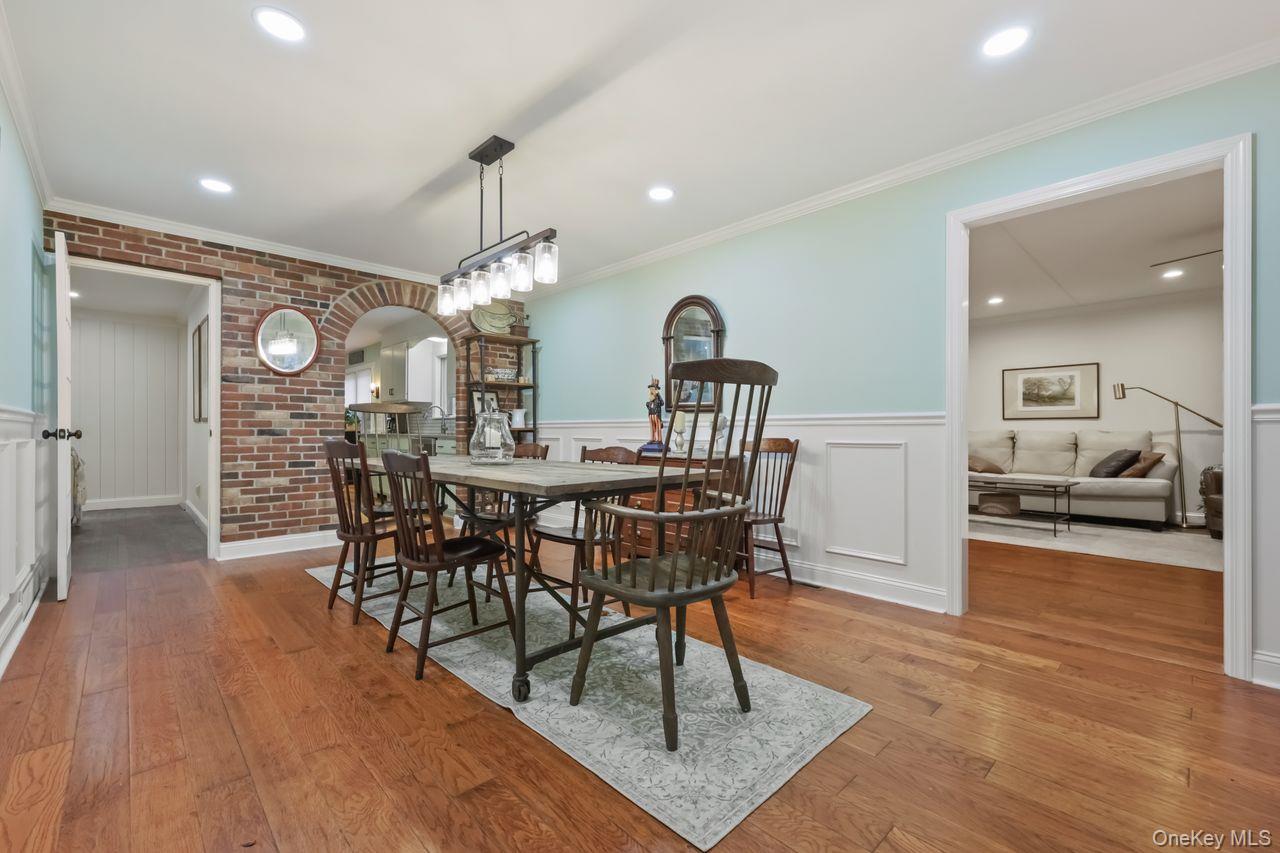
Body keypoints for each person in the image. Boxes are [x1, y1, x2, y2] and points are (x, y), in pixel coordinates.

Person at [646, 378, 665, 444]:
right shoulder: (649, 402)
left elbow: (662, 403)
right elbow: (649, 407)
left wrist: (658, 394)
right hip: (651, 415)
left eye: (652, 389)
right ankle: (653, 438)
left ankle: (659, 439)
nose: (651, 391)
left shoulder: (658, 401)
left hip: (657, 415)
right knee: (652, 427)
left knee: (658, 427)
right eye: (650, 389)